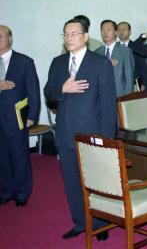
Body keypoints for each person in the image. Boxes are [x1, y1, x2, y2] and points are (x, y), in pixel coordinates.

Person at [44, 18, 116, 240]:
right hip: (65, 133)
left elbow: (108, 104)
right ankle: (80, 222)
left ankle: (100, 223)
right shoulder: (58, 62)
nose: (69, 38)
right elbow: (48, 92)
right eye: (66, 34)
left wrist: (105, 139)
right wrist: (62, 88)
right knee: (72, 181)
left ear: (85, 37)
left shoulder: (100, 63)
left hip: (91, 134)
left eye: (74, 33)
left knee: (95, 182)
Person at [0, 25, 40, 207]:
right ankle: (7, 190)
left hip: (16, 118)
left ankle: (23, 191)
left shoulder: (24, 61)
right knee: (2, 157)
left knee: (19, 155)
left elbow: (33, 91)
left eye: (0, 36)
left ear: (10, 39)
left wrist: (32, 116)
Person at [96, 20, 135, 97]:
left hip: (119, 96)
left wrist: (127, 99)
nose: (105, 33)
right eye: (103, 30)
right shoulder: (97, 52)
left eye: (108, 30)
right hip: (101, 96)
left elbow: (129, 79)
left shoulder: (125, 51)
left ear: (115, 32)